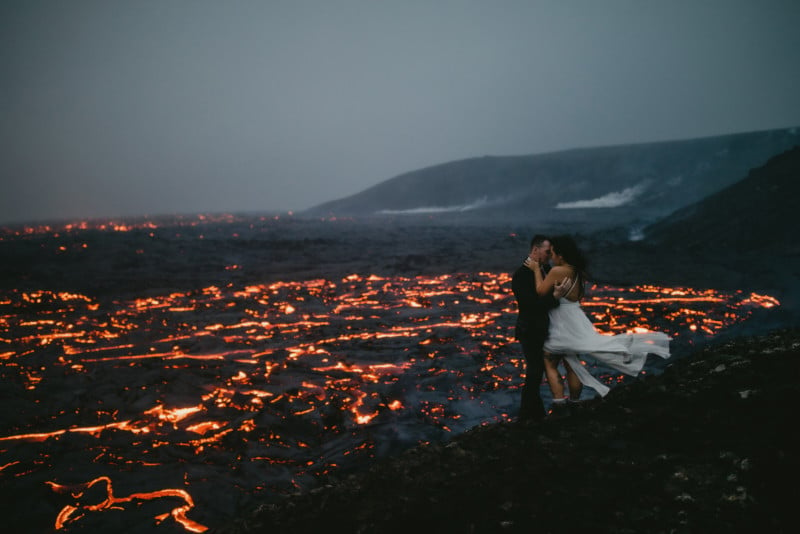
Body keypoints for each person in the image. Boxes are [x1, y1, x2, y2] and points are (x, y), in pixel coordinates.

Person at [525, 235, 671, 402]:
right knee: (572, 363)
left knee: (549, 361)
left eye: (553, 253)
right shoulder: (579, 273)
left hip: (561, 321)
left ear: (561, 255)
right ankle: (574, 401)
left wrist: (536, 270)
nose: (551, 257)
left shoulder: (558, 271)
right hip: (577, 320)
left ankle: (559, 402)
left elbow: (540, 292)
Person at [511, 235, 569, 421]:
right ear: (535, 250)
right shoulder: (521, 275)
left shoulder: (546, 269)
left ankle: (532, 415)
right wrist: (555, 298)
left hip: (544, 329)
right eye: (546, 252)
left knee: (537, 372)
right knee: (535, 372)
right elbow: (531, 305)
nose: (549, 256)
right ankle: (527, 416)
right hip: (530, 330)